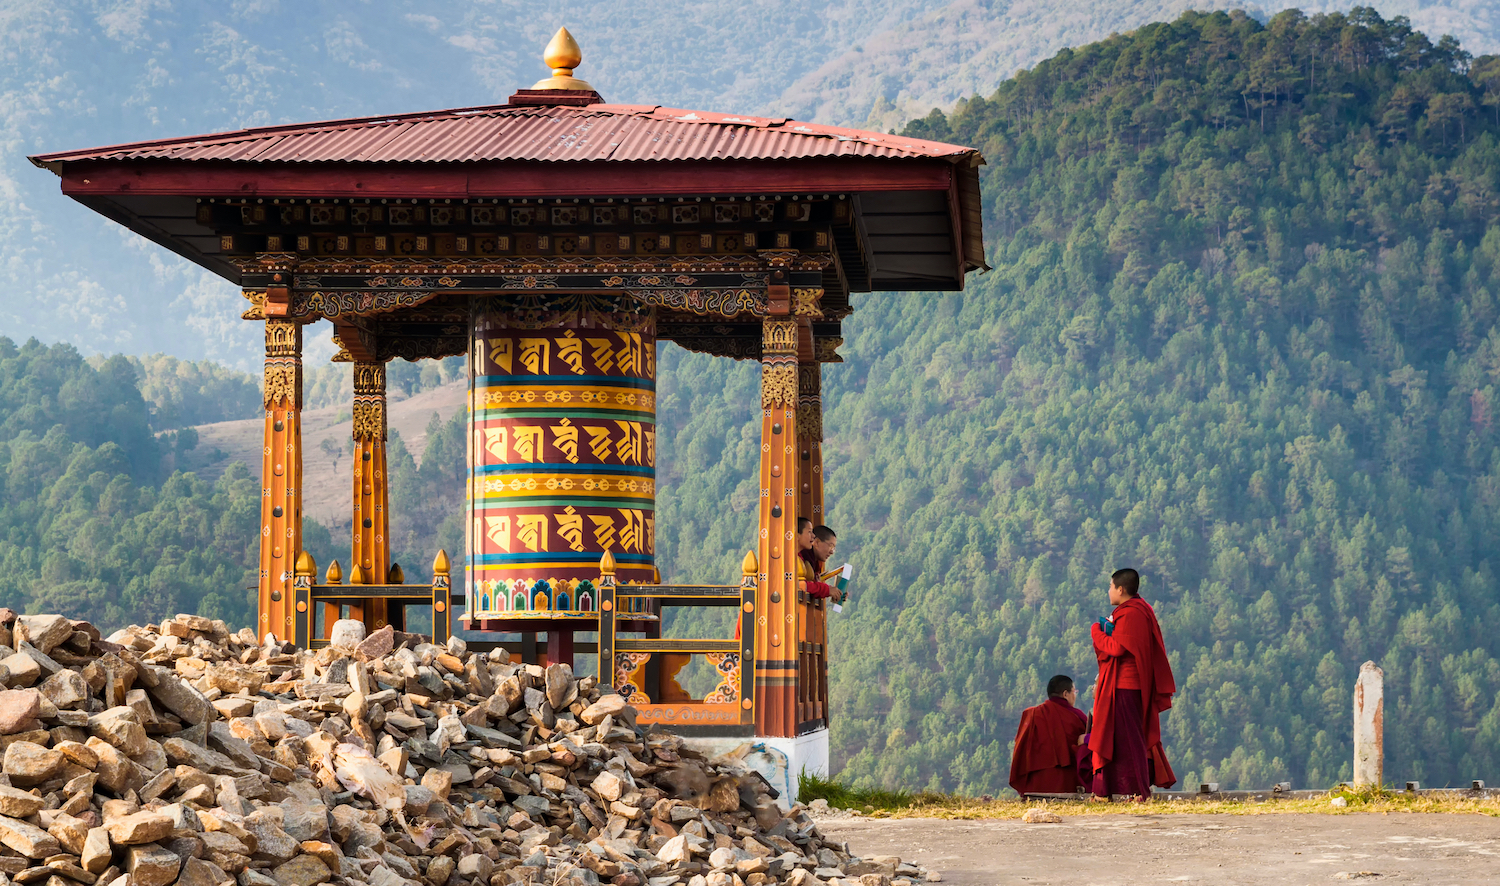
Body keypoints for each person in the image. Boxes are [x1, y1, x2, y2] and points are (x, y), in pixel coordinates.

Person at [1089, 568, 1177, 800]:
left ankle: (1139, 790)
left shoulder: (1131, 613)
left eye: (1110, 587)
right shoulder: (1140, 609)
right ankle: (1112, 790)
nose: (1108, 591)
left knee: (1129, 740)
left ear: (1121, 589)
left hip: (1125, 686)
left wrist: (1096, 632)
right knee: (1118, 738)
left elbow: (1117, 649)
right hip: (1127, 685)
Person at [1009, 675, 1088, 796]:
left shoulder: (1032, 715)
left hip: (1035, 787)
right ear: (1065, 694)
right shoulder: (1076, 716)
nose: (1075, 695)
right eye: (1074, 691)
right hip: (1067, 785)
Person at [796, 519, 836, 599]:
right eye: (830, 546)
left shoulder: (813, 562)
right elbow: (800, 585)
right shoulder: (793, 558)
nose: (813, 536)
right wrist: (826, 589)